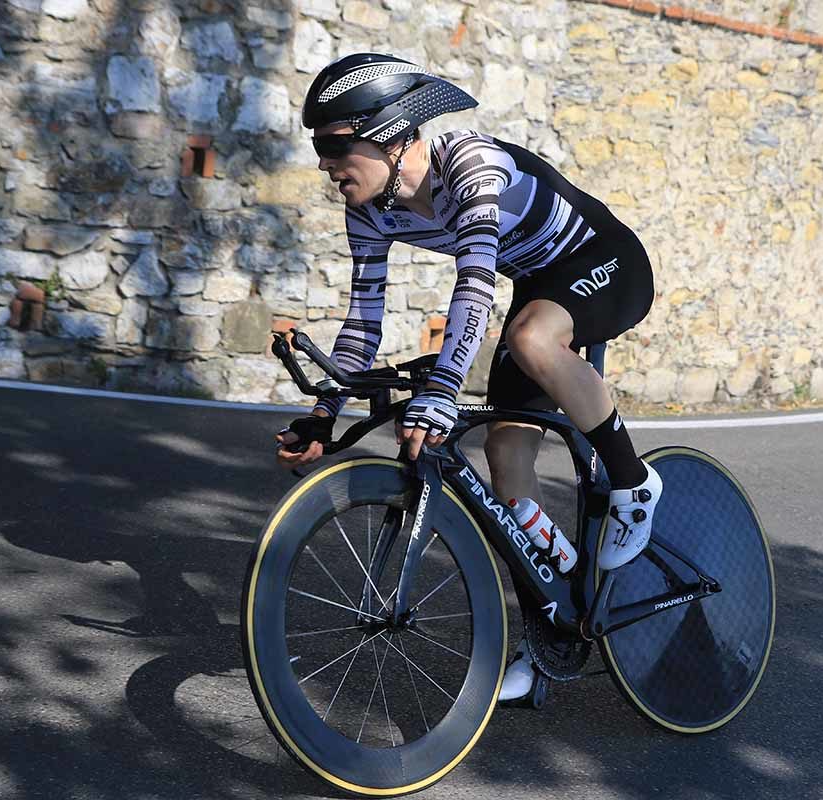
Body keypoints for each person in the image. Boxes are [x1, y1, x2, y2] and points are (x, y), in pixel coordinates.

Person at [274, 53, 662, 704]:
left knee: (532, 337)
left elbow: (476, 282)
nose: (323, 163)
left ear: (393, 133)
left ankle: (633, 481)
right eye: (317, 147)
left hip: (606, 262)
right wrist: (324, 414)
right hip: (540, 284)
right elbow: (362, 323)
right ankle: (553, 624)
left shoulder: (468, 163)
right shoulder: (369, 209)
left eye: (335, 144)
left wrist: (444, 391)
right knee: (507, 467)